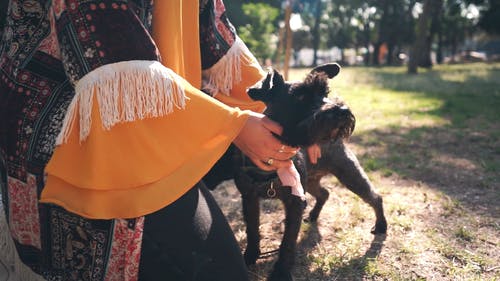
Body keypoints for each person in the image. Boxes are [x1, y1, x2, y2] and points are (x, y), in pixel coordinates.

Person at [0, 1, 303, 280]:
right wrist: (235, 125)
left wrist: (286, 116)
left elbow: (218, 42)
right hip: (75, 134)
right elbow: (114, 65)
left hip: (163, 120)